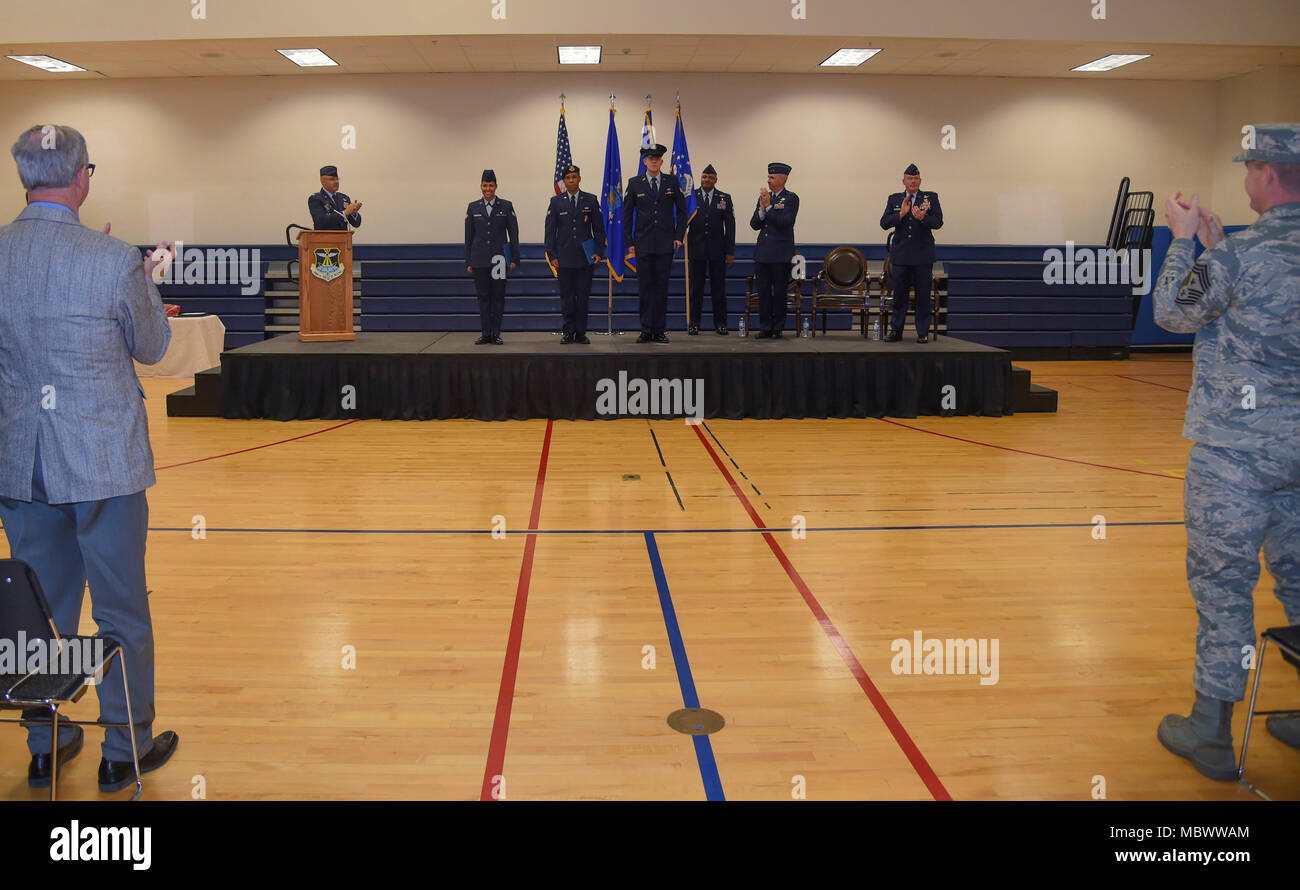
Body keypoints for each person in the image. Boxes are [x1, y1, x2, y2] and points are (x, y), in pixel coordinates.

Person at [0, 124, 179, 792]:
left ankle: (46, 740)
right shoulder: (111, 260)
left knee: (39, 609)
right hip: (102, 463)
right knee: (120, 608)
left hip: (22, 463)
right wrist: (147, 278)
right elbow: (155, 346)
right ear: (81, 178)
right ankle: (125, 749)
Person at [1153, 122, 1300, 780]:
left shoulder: (1245, 254)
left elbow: (1176, 312)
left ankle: (1211, 731)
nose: (1245, 179)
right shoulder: (1241, 251)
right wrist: (1217, 248)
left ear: (1267, 175)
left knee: (1223, 588)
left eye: (1249, 169)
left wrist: (1186, 244)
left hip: (1235, 451)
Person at [624, 144, 687, 343]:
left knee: (661, 288)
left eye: (657, 158)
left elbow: (683, 211)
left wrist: (678, 235)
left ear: (661, 162)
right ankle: (645, 329)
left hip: (665, 244)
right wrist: (629, 242)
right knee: (645, 288)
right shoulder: (635, 183)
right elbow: (626, 216)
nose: (653, 161)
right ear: (644, 161)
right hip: (642, 244)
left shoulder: (672, 181)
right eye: (650, 158)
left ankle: (659, 330)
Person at [879, 163, 943, 342]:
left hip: (922, 255)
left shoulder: (930, 198)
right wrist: (900, 215)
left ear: (920, 180)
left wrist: (924, 218)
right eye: (909, 178)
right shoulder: (895, 199)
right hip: (901, 255)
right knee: (899, 295)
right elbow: (884, 223)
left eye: (916, 179)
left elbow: (938, 222)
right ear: (904, 181)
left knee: (923, 296)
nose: (913, 181)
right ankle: (896, 331)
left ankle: (922, 333)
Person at [544, 164, 604, 344]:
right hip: (563, 259)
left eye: (574, 177)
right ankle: (568, 331)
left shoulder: (591, 200)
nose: (571, 180)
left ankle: (581, 333)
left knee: (583, 297)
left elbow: (599, 230)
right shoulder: (556, 202)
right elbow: (549, 232)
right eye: (568, 178)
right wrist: (552, 254)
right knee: (567, 297)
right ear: (564, 181)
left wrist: (599, 252)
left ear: (579, 179)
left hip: (585, 258)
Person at [465, 169, 520, 345]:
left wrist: (514, 258)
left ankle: (495, 333)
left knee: (497, 296)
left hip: (499, 260)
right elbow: (468, 237)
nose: (488, 189)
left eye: (491, 185)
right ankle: (485, 333)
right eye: (485, 185)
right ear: (481, 187)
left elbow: (514, 234)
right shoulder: (473, 207)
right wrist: (469, 261)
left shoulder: (506, 206)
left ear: (496, 186)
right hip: (479, 259)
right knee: (483, 297)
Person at [749, 162, 799, 339]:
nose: (768, 180)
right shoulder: (764, 197)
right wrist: (762, 209)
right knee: (763, 292)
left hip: (780, 254)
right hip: (763, 253)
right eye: (768, 177)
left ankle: (778, 327)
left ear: (782, 179)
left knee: (779, 292)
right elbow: (754, 224)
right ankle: (765, 327)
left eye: (771, 177)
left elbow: (785, 222)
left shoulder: (791, 198)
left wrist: (769, 207)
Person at [686, 164, 735, 335]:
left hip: (717, 251)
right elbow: (683, 221)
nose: (707, 180)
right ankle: (694, 323)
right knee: (695, 289)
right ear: (701, 178)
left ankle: (721, 323)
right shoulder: (691, 197)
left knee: (719, 289)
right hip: (696, 250)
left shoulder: (724, 198)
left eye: (710, 177)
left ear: (716, 180)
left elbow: (730, 227)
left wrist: (730, 252)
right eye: (704, 177)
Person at [308, 164, 362, 230]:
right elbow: (320, 221)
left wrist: (353, 213)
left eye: (337, 179)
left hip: (343, 239)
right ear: (322, 180)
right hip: (324, 239)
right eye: (332, 179)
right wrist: (345, 213)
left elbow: (356, 224)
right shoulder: (316, 199)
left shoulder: (344, 198)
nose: (336, 182)